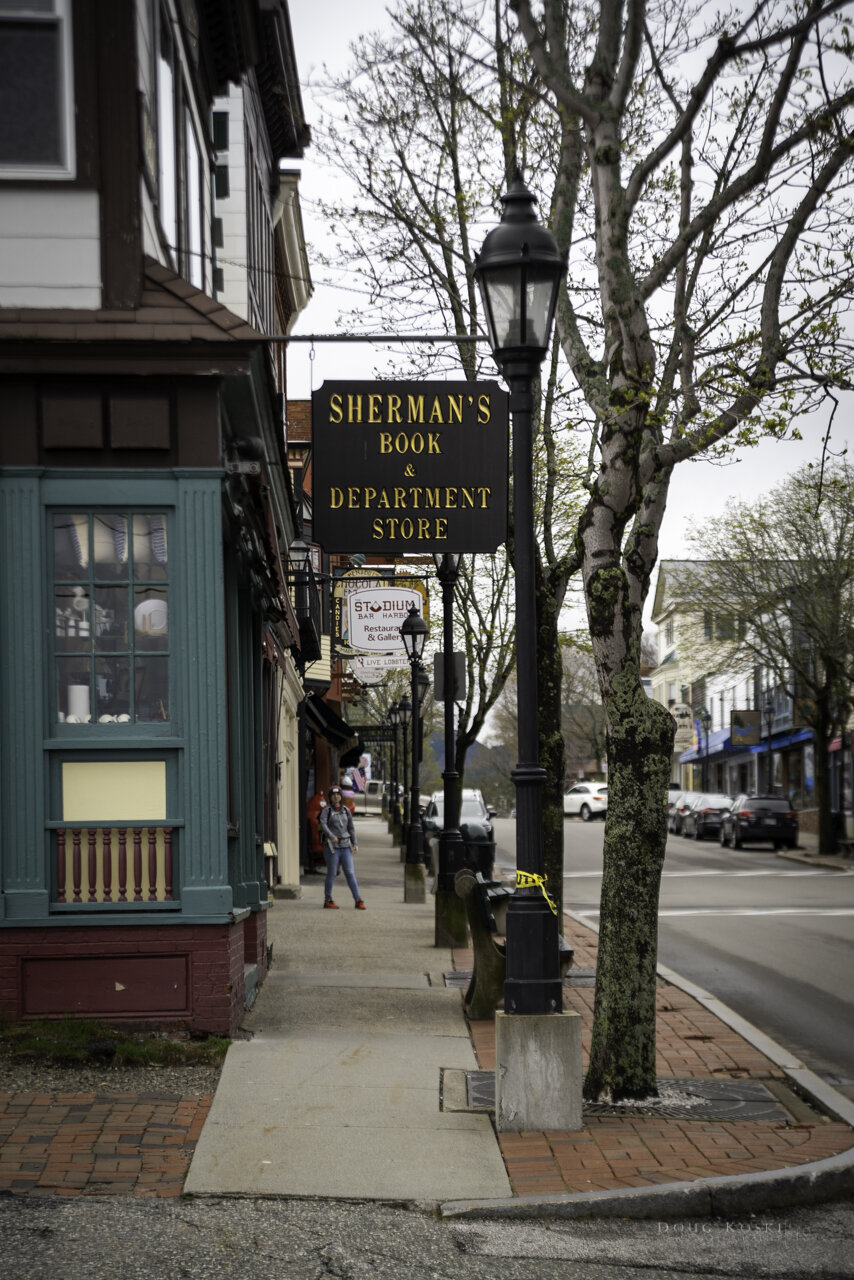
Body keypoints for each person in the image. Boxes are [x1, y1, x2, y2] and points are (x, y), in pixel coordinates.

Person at [319, 785, 365, 909]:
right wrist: (331, 835)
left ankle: (358, 900)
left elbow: (351, 828)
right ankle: (328, 899)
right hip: (332, 847)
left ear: (341, 796)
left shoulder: (346, 810)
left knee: (350, 873)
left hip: (345, 846)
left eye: (338, 794)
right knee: (332, 873)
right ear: (330, 797)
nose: (336, 796)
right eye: (333, 795)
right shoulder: (326, 810)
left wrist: (355, 843)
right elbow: (323, 824)